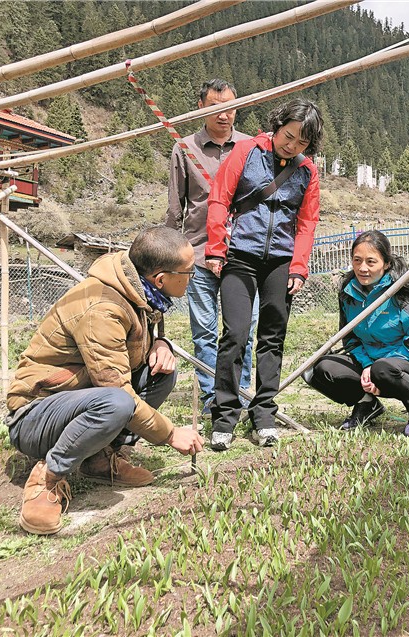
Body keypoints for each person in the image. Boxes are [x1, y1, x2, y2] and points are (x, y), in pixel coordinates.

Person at [6, 227, 205, 535]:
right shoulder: (103, 309)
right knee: (117, 402)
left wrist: (160, 343)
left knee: (161, 374)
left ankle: (100, 458)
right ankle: (49, 476)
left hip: (78, 396)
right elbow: (114, 388)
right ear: (161, 279)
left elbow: (131, 348)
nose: (192, 277)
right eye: (188, 271)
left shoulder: (138, 289)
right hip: (36, 415)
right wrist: (170, 434)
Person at [205, 98, 323, 451]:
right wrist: (215, 248)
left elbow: (307, 223)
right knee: (235, 334)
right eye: (288, 136)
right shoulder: (245, 152)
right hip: (240, 255)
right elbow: (219, 199)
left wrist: (299, 267)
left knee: (272, 337)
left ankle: (264, 416)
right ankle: (224, 417)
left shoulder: (307, 171)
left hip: (281, 263)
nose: (292, 145)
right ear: (277, 125)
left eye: (302, 142)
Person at [166, 79, 257, 417]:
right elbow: (176, 207)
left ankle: (241, 395)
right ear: (201, 107)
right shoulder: (184, 148)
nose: (224, 115)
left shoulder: (251, 147)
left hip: (244, 253)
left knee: (243, 329)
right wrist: (168, 250)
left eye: (230, 107)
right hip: (200, 253)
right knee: (204, 331)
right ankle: (211, 397)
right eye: (216, 107)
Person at [305, 230, 409, 436]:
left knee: (383, 369)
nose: (362, 268)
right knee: (319, 369)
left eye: (371, 262)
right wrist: (366, 365)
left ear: (387, 263)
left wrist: (376, 368)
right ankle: (367, 404)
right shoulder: (348, 292)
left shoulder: (405, 291)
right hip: (370, 365)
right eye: (357, 260)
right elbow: (350, 338)